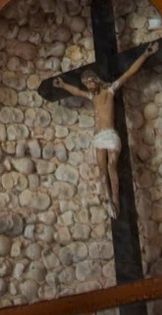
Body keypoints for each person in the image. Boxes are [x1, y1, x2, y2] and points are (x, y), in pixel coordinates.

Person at [53, 43, 156, 218]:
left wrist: (145, 54)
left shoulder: (110, 90)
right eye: (85, 84)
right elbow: (77, 92)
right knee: (102, 170)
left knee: (111, 167)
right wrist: (63, 85)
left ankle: (115, 199)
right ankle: (108, 200)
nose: (88, 86)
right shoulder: (91, 97)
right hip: (99, 136)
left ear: (95, 79)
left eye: (89, 82)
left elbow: (128, 73)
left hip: (110, 135)